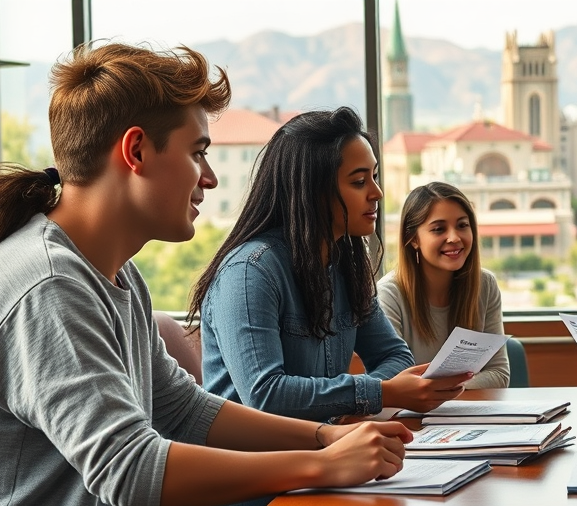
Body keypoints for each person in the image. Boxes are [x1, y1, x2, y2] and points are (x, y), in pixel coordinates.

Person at [0, 43, 411, 506]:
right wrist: (324, 463)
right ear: (136, 150)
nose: (210, 178)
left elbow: (182, 409)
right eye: (198, 153)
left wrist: (327, 436)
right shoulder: (50, 287)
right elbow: (131, 471)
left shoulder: (117, 273)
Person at [190, 110, 469, 440]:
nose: (376, 193)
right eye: (359, 182)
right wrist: (379, 394)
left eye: (375, 177)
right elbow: (265, 395)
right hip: (257, 479)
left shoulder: (346, 265)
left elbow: (395, 355)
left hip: (326, 456)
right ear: (312, 190)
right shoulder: (250, 272)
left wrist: (353, 413)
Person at [378, 182, 510, 389]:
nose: (454, 237)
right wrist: (455, 386)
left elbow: (499, 374)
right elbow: (392, 384)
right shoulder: (389, 294)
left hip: (471, 415)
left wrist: (437, 390)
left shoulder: (485, 285)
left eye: (462, 225)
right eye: (439, 229)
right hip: (410, 418)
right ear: (413, 239)